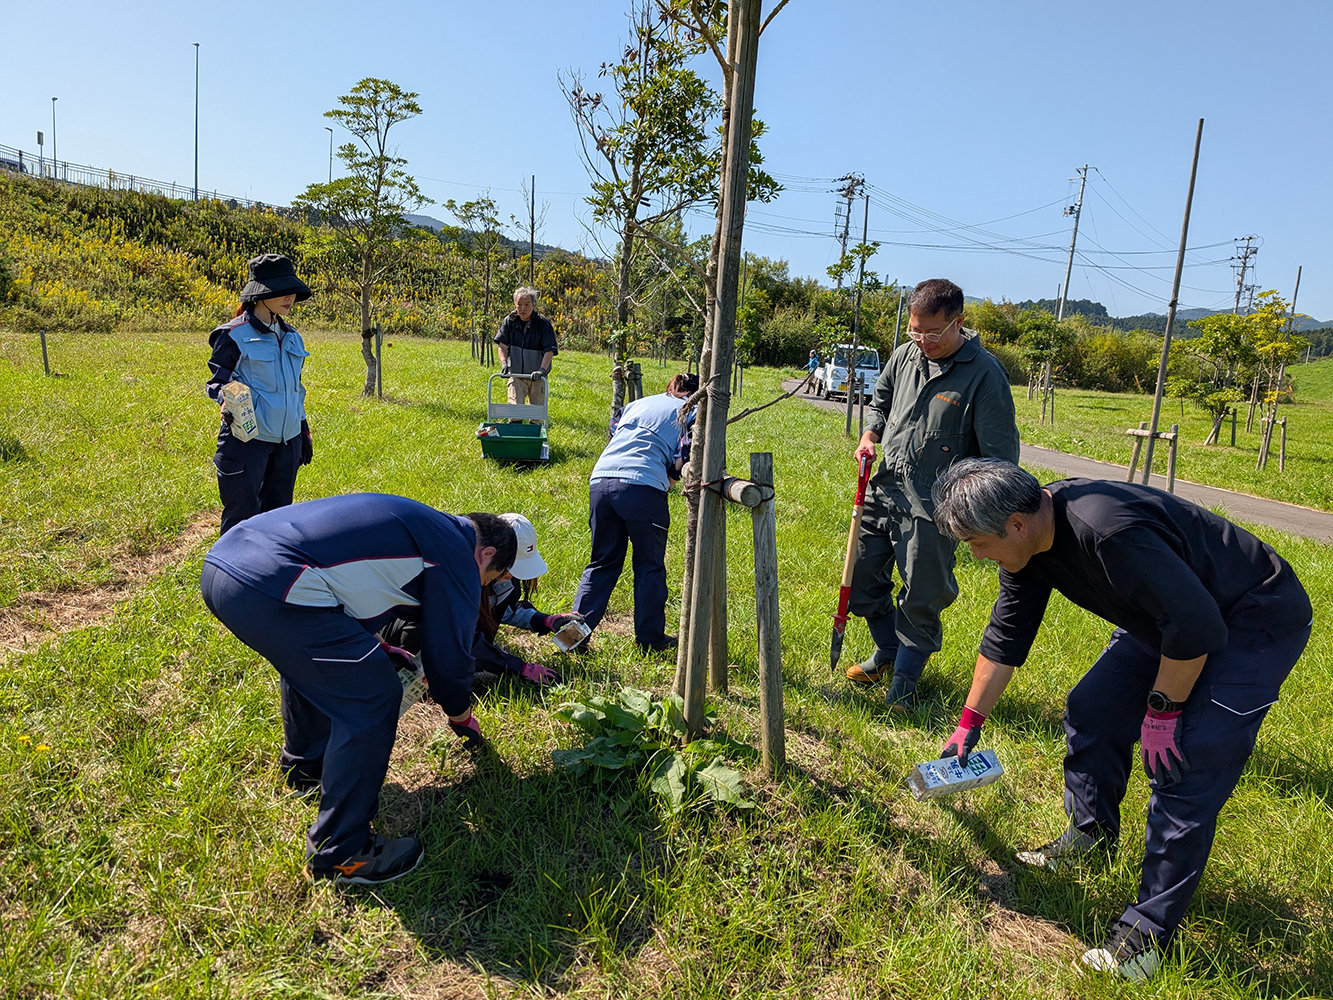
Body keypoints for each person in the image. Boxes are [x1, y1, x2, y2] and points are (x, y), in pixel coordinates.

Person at [931, 458, 1311, 981]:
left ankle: (1146, 936)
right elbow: (1006, 636)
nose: (975, 554)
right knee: (1094, 708)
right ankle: (1090, 833)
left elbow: (1197, 627)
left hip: (1251, 616)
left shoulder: (1108, 532)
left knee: (1186, 761)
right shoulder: (1027, 546)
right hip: (1171, 614)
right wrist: (969, 722)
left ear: (1016, 524)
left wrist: (1162, 710)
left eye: (976, 542)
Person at [200, 494, 517, 885]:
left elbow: (345, 581)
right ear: (485, 554)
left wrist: (378, 646)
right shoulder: (455, 553)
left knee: (320, 664)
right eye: (489, 580)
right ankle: (341, 853)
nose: (481, 588)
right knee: (373, 696)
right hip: (271, 585)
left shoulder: (422, 524)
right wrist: (460, 716)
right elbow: (449, 659)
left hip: (225, 564)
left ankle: (304, 768)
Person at [846, 278, 1020, 709]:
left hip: (935, 507)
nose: (922, 341)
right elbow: (881, 398)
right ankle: (888, 652)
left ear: (958, 322)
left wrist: (974, 514)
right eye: (914, 331)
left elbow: (1000, 460)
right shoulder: (905, 357)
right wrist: (870, 433)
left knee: (921, 596)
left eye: (932, 333)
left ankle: (903, 683)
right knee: (861, 580)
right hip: (884, 488)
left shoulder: (984, 374)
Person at [572, 373, 698, 654]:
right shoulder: (694, 410)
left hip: (601, 480)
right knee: (649, 565)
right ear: (696, 393)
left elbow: (614, 431)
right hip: (642, 486)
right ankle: (650, 640)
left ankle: (574, 637)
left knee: (601, 563)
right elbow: (687, 456)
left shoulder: (637, 404)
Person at [381, 513, 583, 685]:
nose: (511, 577)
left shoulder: (502, 577)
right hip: (394, 634)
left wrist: (545, 621)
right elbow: (461, 636)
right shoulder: (454, 575)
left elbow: (503, 610)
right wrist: (519, 668)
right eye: (510, 568)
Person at [206, 253, 315, 535]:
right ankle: (232, 574)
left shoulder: (292, 336)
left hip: (287, 443)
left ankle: (270, 575)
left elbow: (296, 390)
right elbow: (218, 382)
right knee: (240, 519)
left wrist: (302, 431)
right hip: (246, 443)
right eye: (281, 290)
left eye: (292, 290)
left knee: (278, 519)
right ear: (260, 294)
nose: (289, 297)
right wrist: (224, 400)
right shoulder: (232, 335)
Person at [494, 286, 558, 408]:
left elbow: (549, 351)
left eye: (527, 304)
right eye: (519, 304)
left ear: (533, 305)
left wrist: (541, 370)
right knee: (514, 411)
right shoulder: (509, 321)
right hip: (516, 375)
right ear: (515, 304)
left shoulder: (543, 324)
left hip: (537, 377)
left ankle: (534, 426)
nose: (523, 308)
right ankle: (515, 426)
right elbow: (502, 346)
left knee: (537, 415)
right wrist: (504, 363)